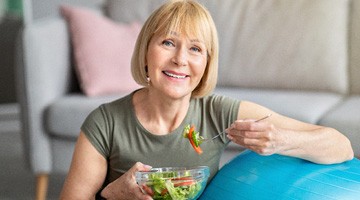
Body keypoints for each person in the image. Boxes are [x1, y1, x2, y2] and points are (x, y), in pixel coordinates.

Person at [60, 0, 354, 199]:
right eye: (168, 43)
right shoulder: (105, 122)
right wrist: (112, 195)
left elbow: (340, 146)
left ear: (206, 64)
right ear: (146, 51)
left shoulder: (218, 113)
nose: (180, 60)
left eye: (196, 49)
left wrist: (281, 141)